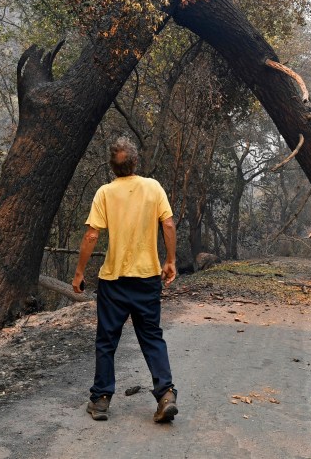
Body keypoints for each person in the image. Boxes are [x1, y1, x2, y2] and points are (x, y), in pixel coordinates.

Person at [72, 136, 179, 423]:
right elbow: (168, 223)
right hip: (146, 279)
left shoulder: (105, 193)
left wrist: (80, 272)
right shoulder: (153, 187)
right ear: (135, 162)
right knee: (151, 336)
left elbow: (92, 235)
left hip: (114, 281)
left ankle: (101, 400)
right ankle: (166, 394)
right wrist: (170, 260)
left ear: (112, 166)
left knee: (107, 340)